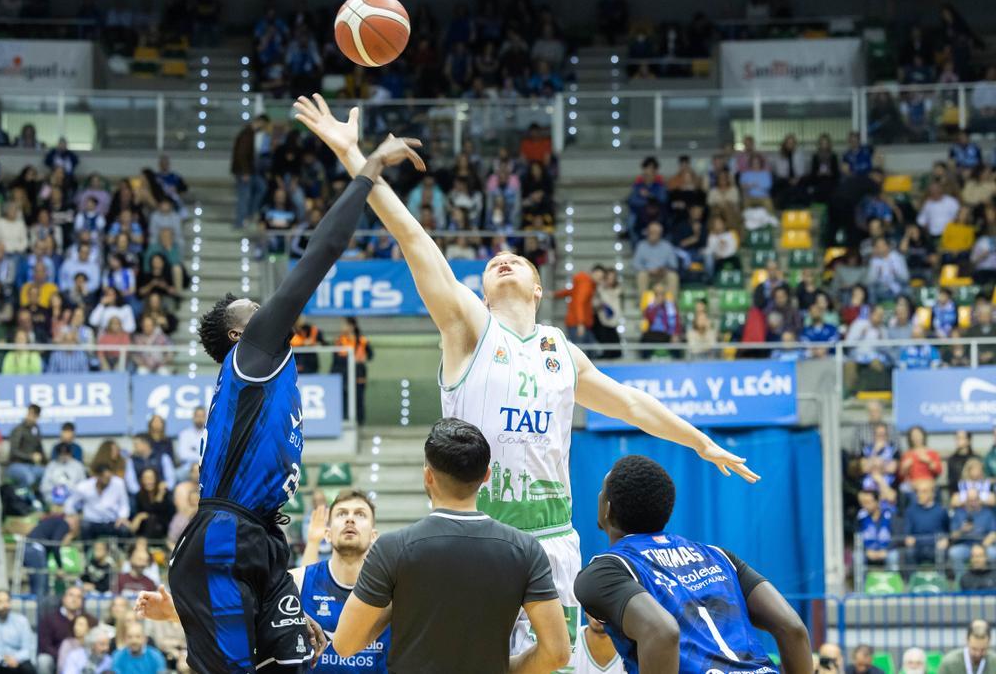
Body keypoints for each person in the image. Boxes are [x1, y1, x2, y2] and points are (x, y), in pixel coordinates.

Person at [297, 93, 756, 656]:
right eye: (493, 262)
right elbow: (414, 240)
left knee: (555, 663)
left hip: (551, 540)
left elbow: (633, 404)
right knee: (469, 659)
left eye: (519, 261)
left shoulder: (560, 350)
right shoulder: (467, 326)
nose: (504, 260)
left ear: (539, 288)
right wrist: (355, 158)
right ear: (482, 288)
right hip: (473, 532)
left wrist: (702, 441)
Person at [136, 127, 423, 672]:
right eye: (251, 307)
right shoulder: (252, 357)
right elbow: (322, 252)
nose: (263, 306)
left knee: (303, 662)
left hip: (260, 541)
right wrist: (369, 167)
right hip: (223, 539)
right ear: (240, 334)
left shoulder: (263, 373)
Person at [332, 418, 569, 673]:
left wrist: (397, 601)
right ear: (487, 475)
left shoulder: (393, 549)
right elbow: (557, 653)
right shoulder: (527, 550)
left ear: (427, 475)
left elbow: (345, 644)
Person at [574, 455, 810, 674]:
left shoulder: (606, 570)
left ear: (607, 508)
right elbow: (793, 628)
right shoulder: (719, 556)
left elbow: (662, 632)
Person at [290, 489, 390, 672]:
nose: (350, 519)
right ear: (327, 534)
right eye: (342, 513)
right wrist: (313, 541)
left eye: (360, 514)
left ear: (374, 536)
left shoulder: (392, 590)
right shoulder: (298, 580)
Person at [36, 586, 96, 674]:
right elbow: (45, 645)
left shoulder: (89, 620)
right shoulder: (49, 619)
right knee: (43, 660)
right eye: (71, 595)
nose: (74, 599)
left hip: (83, 657)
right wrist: (64, 656)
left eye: (78, 597)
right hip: (56, 657)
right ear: (64, 598)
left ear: (82, 601)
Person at [66, 464, 131, 540]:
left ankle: (121, 551)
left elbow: (124, 504)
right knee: (84, 527)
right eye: (105, 478)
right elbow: (70, 502)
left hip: (112, 521)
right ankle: (87, 551)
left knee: (124, 529)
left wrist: (122, 517)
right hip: (92, 521)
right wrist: (73, 515)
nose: (108, 480)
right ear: (97, 476)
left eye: (109, 477)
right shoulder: (84, 487)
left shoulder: (119, 483)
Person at [331, 317, 373, 425]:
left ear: (351, 326)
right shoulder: (339, 340)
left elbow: (370, 355)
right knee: (344, 399)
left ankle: (360, 423)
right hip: (344, 374)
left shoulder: (362, 340)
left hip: (358, 373)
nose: (342, 327)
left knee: (359, 399)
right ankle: (345, 422)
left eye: (344, 325)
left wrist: (362, 358)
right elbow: (335, 359)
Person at [900, 481, 950, 567]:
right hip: (917, 546)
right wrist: (908, 538)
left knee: (941, 551)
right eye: (917, 492)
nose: (919, 495)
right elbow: (907, 533)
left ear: (932, 494)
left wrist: (946, 539)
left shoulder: (941, 510)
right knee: (908, 552)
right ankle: (910, 580)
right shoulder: (911, 511)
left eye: (923, 491)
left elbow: (947, 530)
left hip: (935, 545)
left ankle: (941, 579)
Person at [948, 490, 996, 579]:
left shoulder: (987, 513)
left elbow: (994, 532)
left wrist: (985, 543)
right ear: (966, 501)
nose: (973, 503)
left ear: (980, 500)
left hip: (984, 545)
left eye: (975, 499)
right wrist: (962, 530)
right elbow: (953, 536)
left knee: (994, 553)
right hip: (966, 546)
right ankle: (962, 580)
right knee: (954, 552)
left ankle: (992, 580)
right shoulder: (958, 513)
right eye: (970, 500)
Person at [5, 404, 45, 489]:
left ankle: (42, 501)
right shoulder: (18, 430)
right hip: (16, 464)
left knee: (48, 475)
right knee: (29, 478)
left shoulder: (36, 429)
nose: (31, 417)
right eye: (30, 414)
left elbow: (40, 450)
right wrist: (30, 457)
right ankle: (23, 500)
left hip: (32, 466)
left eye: (35, 415)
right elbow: (14, 451)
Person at [174, 407, 207, 479]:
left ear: (206, 418)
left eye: (202, 416)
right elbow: (182, 455)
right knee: (177, 475)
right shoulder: (184, 434)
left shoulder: (210, 434)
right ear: (193, 417)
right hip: (187, 468)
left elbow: (210, 455)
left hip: (206, 468)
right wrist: (201, 456)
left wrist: (192, 453)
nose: (200, 419)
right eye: (197, 416)